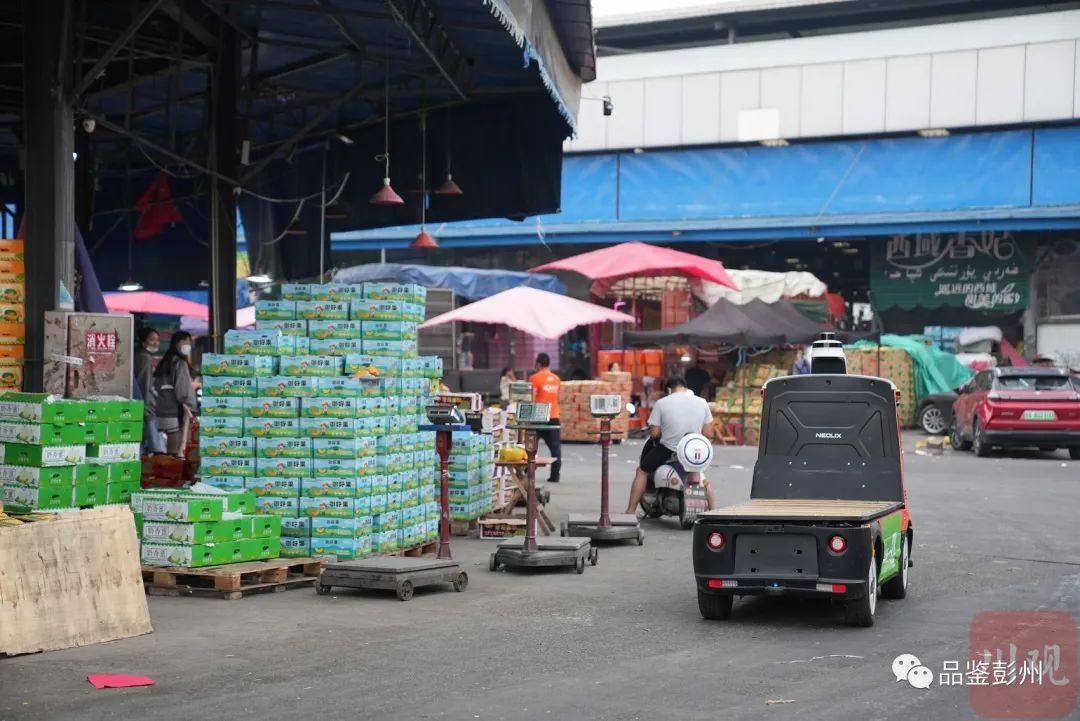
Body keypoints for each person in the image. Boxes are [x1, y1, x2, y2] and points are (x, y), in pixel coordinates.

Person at [625, 376, 717, 514]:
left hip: (669, 449)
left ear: (668, 389)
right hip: (692, 452)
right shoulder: (702, 402)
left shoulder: (662, 403)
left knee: (642, 471)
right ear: (685, 387)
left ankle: (630, 511)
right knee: (700, 475)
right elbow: (709, 433)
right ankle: (713, 512)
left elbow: (655, 433)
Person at [153, 331, 198, 456]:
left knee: (165, 447)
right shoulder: (180, 363)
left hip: (160, 409)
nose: (188, 344)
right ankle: (171, 471)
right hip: (173, 410)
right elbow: (183, 391)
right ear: (177, 343)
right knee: (175, 446)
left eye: (190, 342)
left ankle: (164, 469)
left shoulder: (165, 361)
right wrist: (192, 407)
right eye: (185, 341)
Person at [529, 352, 562, 483]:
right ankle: (555, 476)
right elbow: (557, 398)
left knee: (530, 447)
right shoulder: (557, 379)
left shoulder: (535, 378)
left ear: (538, 364)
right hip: (554, 416)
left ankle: (527, 474)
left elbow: (531, 398)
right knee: (555, 448)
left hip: (538, 416)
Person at [134, 327, 165, 454]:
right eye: (152, 340)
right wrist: (146, 406)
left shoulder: (139, 356)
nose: (155, 343)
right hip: (146, 406)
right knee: (155, 447)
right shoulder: (145, 358)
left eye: (157, 340)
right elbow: (144, 384)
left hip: (141, 404)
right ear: (143, 342)